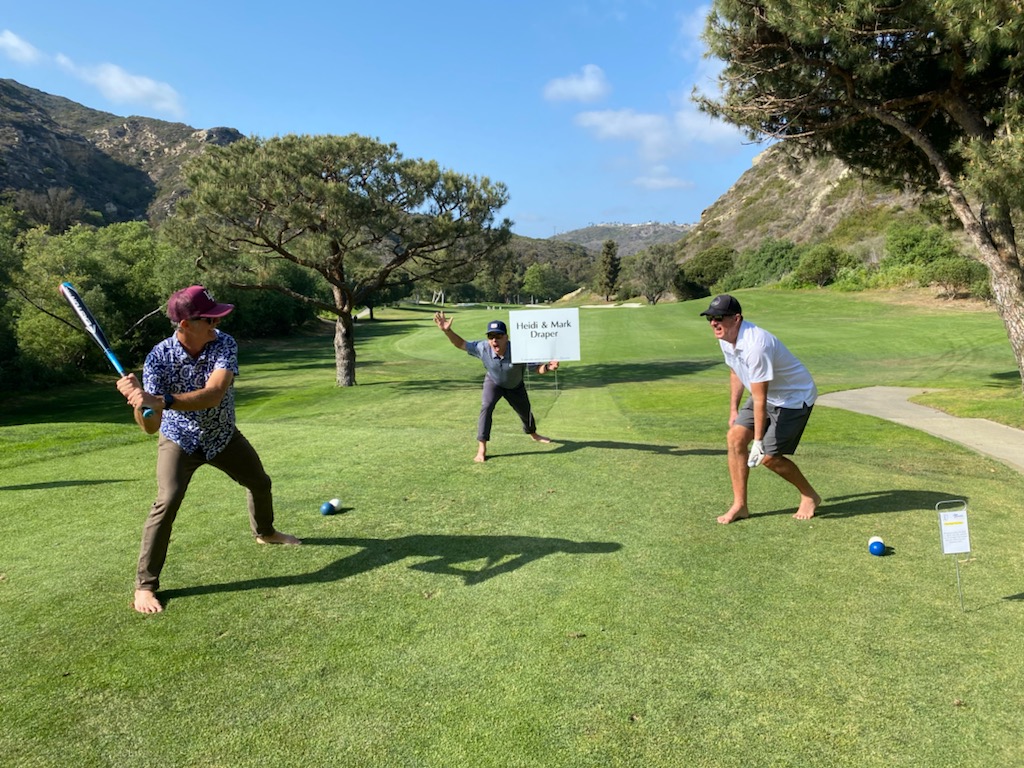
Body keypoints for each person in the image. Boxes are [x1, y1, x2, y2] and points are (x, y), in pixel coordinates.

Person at [116, 285, 300, 614]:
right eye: (209, 319)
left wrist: (161, 400)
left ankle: (265, 532)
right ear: (185, 325)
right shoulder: (158, 358)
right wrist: (138, 400)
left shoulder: (223, 343)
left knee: (260, 482)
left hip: (222, 435)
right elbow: (150, 426)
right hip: (179, 439)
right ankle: (145, 586)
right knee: (167, 501)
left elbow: (214, 393)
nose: (216, 323)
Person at [700, 294, 821, 524]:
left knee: (769, 457)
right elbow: (735, 371)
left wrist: (757, 441)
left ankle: (809, 495)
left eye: (719, 317)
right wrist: (733, 411)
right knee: (735, 437)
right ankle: (740, 505)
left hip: (793, 398)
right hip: (766, 395)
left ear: (736, 319)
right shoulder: (725, 337)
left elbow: (760, 398)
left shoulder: (756, 345)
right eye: (710, 318)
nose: (714, 323)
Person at [433, 312, 559, 462]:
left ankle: (534, 434)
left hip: (515, 385)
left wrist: (549, 368)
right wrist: (447, 330)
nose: (494, 340)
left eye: (498, 336)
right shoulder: (482, 347)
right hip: (494, 382)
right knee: (486, 406)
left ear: (506, 338)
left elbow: (537, 368)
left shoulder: (519, 350)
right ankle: (482, 448)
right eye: (491, 337)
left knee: (525, 411)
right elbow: (460, 344)